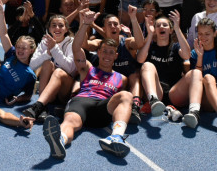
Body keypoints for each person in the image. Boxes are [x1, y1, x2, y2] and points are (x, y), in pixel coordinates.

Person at [41, 9, 135, 159]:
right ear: (98, 52)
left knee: (126, 95)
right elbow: (76, 48)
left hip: (103, 108)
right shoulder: (87, 69)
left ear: (116, 56)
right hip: (82, 101)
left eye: (111, 52)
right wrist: (85, 24)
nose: (107, 55)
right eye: (104, 51)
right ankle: (60, 140)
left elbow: (122, 104)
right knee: (70, 121)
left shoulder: (121, 78)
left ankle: (116, 137)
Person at [137, 10, 203, 129]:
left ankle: (194, 111)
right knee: (147, 65)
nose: (161, 27)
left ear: (170, 30)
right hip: (157, 93)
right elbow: (140, 59)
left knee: (196, 72)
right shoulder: (150, 47)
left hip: (174, 92)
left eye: (165, 25)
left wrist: (177, 28)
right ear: (155, 30)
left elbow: (187, 55)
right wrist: (150, 34)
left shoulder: (176, 46)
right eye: (158, 26)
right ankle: (153, 100)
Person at [22, 15, 76, 122]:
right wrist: (47, 53)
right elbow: (32, 65)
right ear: (49, 29)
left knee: (58, 72)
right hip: (49, 93)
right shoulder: (44, 42)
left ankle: (39, 105)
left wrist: (54, 48)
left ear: (66, 29)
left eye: (61, 26)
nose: (57, 28)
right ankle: (42, 106)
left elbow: (71, 69)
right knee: (47, 63)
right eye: (54, 25)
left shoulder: (71, 43)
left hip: (64, 92)